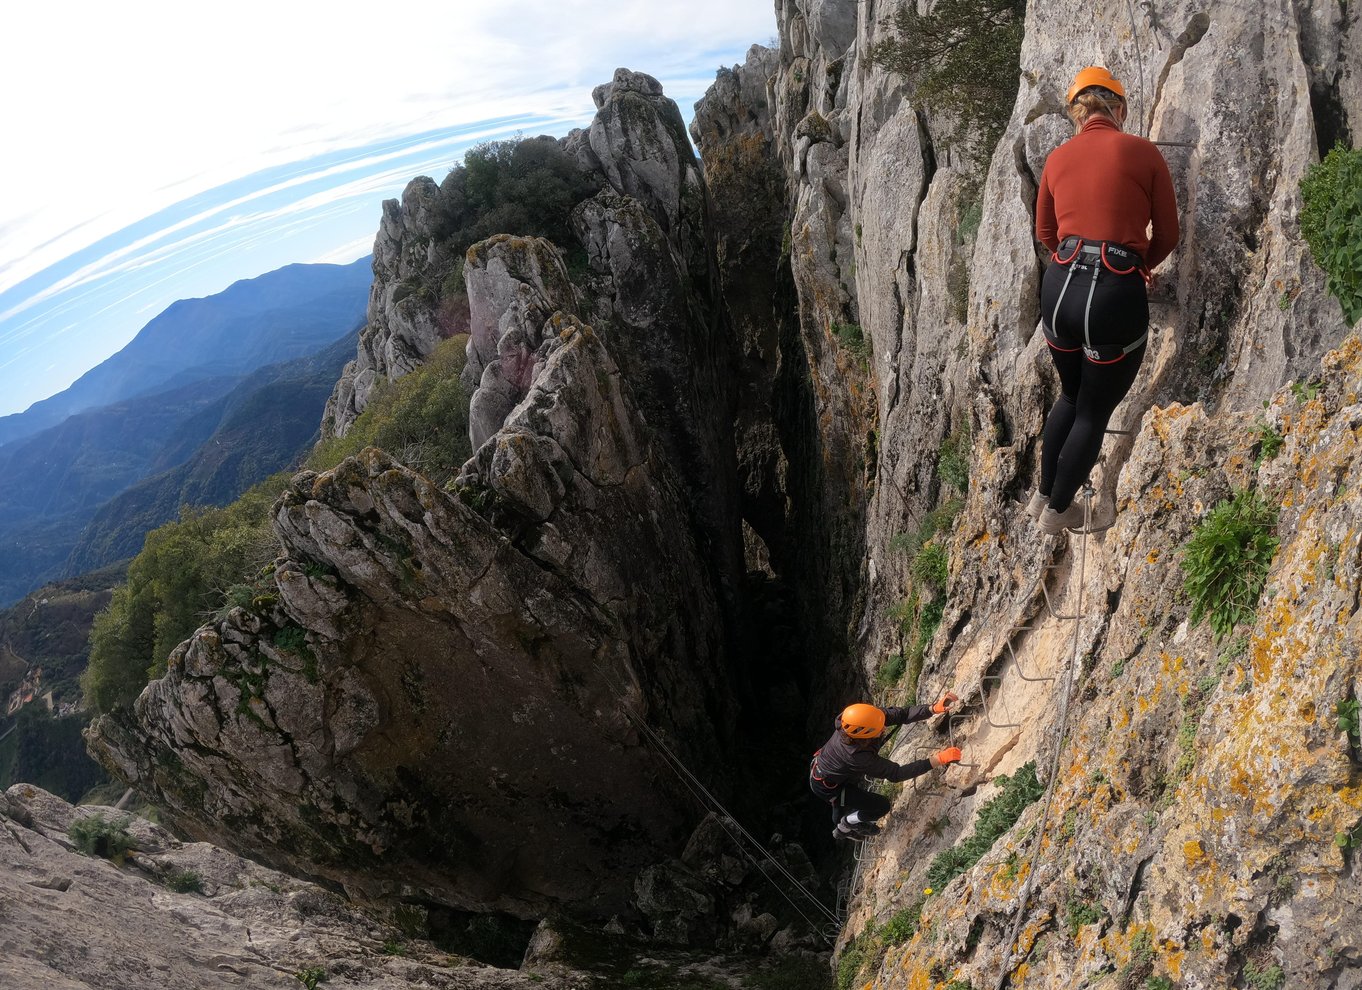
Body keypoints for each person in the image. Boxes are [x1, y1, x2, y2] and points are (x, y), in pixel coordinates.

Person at [1028, 66, 1180, 535]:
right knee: (1093, 409)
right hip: (1113, 293)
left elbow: (1045, 234)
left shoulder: (1056, 159)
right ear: (1121, 109)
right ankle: (1058, 512)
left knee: (1070, 396)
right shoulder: (1143, 153)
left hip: (1058, 292)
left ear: (1077, 114)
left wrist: (1070, 262)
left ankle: (1042, 495)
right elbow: (1168, 235)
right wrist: (1139, 265)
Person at [809, 695, 961, 841]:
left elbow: (903, 714)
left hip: (835, 771)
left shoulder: (864, 718)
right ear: (864, 734)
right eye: (879, 729)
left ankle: (841, 827)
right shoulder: (857, 757)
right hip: (827, 786)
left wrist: (932, 709)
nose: (883, 728)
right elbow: (896, 773)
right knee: (881, 806)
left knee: (844, 802)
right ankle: (847, 823)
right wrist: (938, 759)